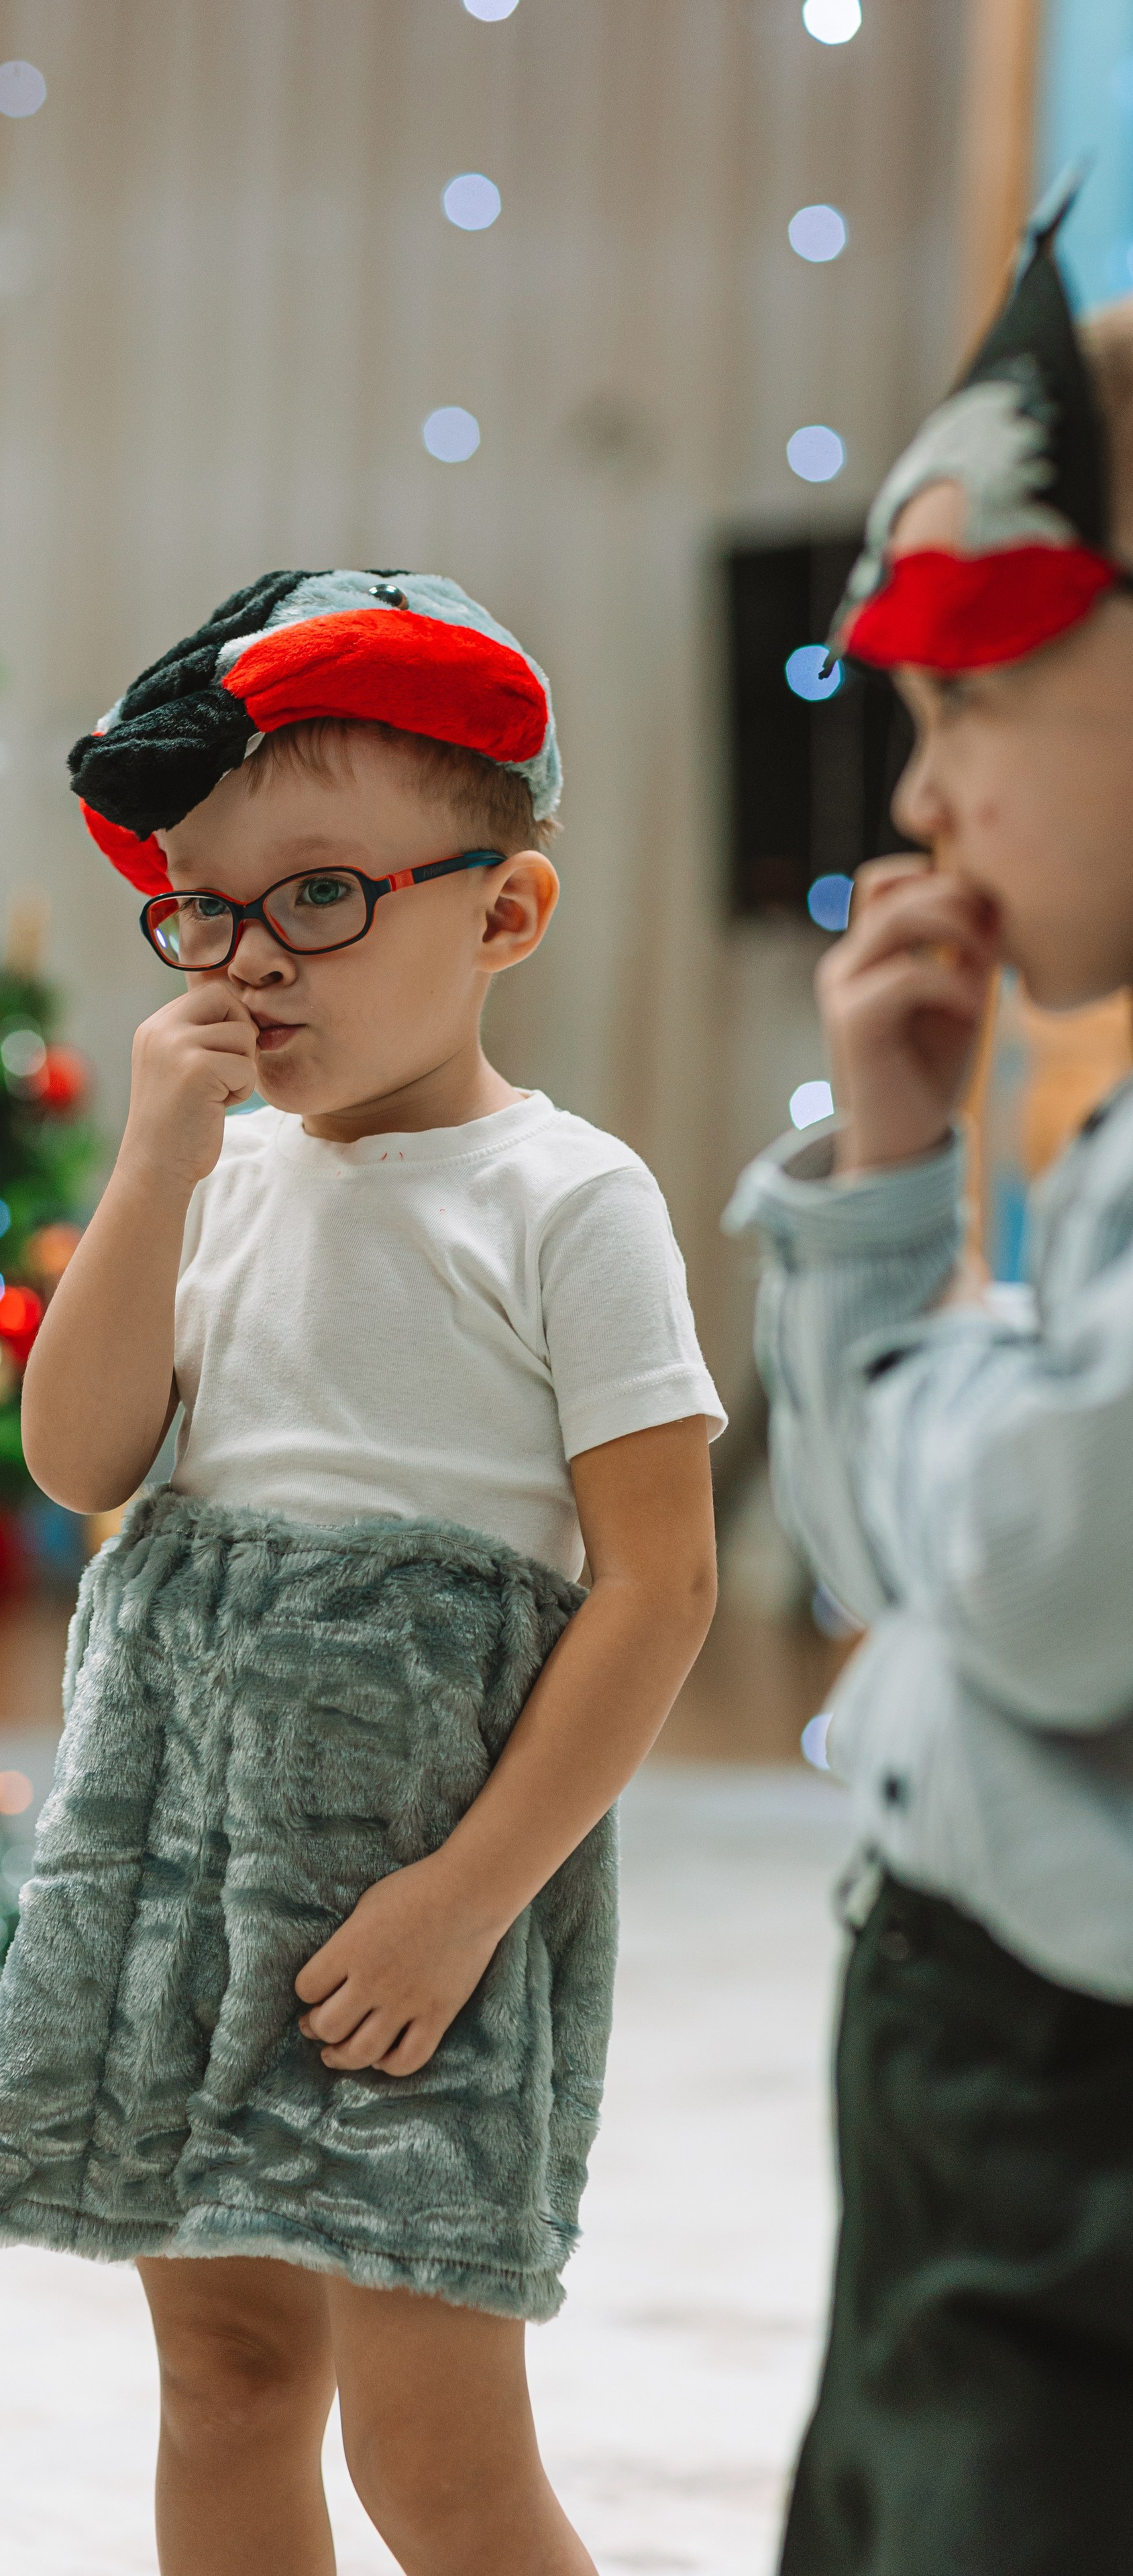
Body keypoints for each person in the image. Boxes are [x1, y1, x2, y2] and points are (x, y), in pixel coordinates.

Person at [0, 570, 724, 2575]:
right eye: (202, 907)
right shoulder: (218, 1175)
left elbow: (658, 1592)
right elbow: (81, 1454)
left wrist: (469, 1905)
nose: (250, 962)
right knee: (220, 2378)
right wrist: (147, 1173)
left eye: (318, 898)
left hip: (418, 1878)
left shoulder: (571, 1200)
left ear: (506, 913)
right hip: (176, 1840)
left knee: (436, 2450)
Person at [725, 202, 1133, 2576]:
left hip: (1076, 2111)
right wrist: (895, 1198)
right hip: (982, 2068)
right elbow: (922, 1578)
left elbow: (1043, 1578)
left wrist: (935, 1365)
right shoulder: (1090, 1140)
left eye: (969, 695)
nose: (916, 799)